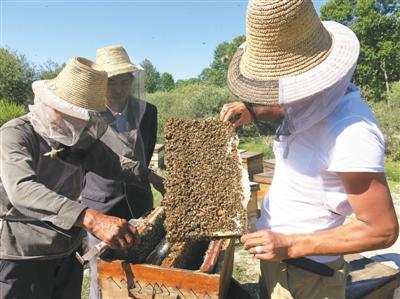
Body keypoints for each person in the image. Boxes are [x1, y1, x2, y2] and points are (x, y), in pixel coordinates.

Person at [219, 1, 399, 298]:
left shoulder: (352, 132)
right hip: (278, 261)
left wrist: (291, 244)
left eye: (271, 89)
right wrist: (252, 109)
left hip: (310, 276)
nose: (267, 97)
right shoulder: (304, 107)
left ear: (303, 82)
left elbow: (381, 230)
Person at [0, 57, 152, 299]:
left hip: (67, 250)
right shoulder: (15, 135)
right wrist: (91, 218)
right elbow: (22, 189)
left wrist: (153, 177)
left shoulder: (78, 137)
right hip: (24, 255)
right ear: (53, 106)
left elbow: (116, 165)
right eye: (75, 115)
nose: (81, 124)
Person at [81, 44, 163, 299]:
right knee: (103, 276)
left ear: (132, 79)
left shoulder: (148, 112)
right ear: (100, 83)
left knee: (145, 272)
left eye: (124, 81)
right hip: (101, 206)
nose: (118, 89)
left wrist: (146, 178)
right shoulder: (85, 115)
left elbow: (145, 153)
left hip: (140, 202)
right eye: (111, 82)